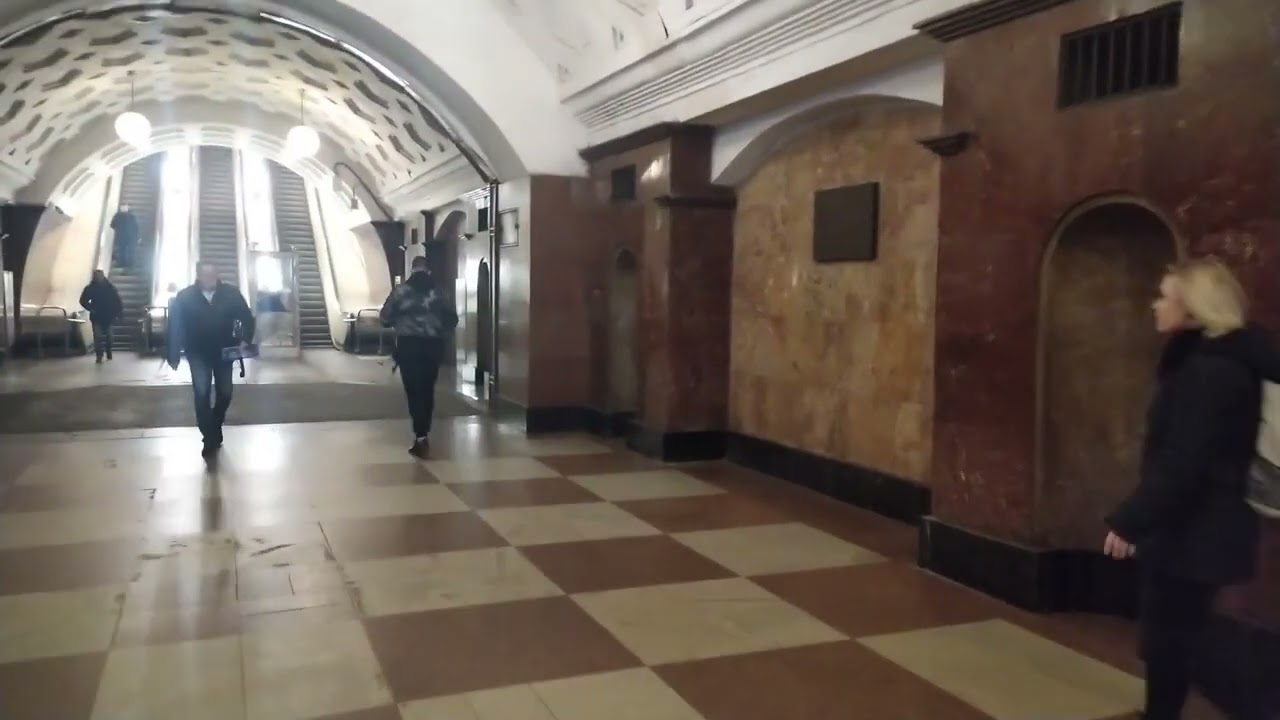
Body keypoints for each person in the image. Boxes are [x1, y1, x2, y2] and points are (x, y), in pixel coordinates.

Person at [1105, 257, 1279, 720]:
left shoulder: (1210, 374)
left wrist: (1130, 520)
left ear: (1195, 309)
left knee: (1175, 638)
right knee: (1175, 634)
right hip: (1201, 524)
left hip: (1195, 528)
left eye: (1165, 296)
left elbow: (1184, 463)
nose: (1154, 304)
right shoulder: (1215, 362)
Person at [166, 261, 255, 456]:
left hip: (224, 352)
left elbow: (247, 317)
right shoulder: (185, 297)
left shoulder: (230, 293)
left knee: (226, 392)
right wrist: (173, 354)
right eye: (206, 275)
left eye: (213, 274)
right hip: (197, 352)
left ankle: (216, 421)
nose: (210, 278)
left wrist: (245, 339)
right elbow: (176, 326)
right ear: (198, 275)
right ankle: (209, 436)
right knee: (202, 393)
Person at [379, 256, 458, 458]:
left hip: (409, 347)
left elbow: (385, 319)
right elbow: (452, 319)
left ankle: (420, 435)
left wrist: (403, 320)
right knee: (427, 389)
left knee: (413, 391)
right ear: (428, 270)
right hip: (433, 347)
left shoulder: (400, 292)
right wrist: (436, 329)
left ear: (412, 270)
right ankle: (423, 432)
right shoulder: (439, 292)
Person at [79, 269, 122, 363]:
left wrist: (118, 313)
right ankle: (99, 354)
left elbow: (117, 301)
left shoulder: (110, 288)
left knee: (109, 337)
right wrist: (90, 308)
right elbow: (83, 300)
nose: (98, 278)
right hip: (96, 316)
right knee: (98, 337)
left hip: (108, 316)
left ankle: (108, 350)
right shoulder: (90, 288)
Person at [110, 204, 140, 269]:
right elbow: (136, 228)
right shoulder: (131, 216)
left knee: (122, 250)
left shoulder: (118, 216)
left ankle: (123, 263)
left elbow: (112, 225)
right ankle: (130, 264)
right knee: (129, 250)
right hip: (129, 237)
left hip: (122, 236)